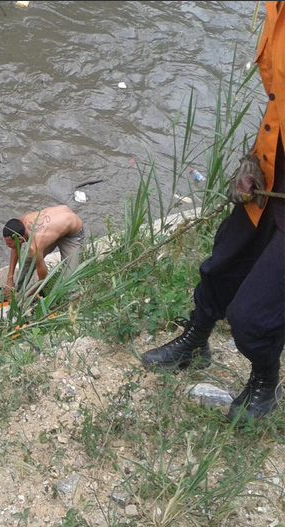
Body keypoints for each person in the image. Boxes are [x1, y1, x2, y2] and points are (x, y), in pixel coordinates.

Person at [142, 0, 284, 422]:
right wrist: (254, 160)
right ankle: (195, 340)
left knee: (253, 314)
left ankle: (264, 382)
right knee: (225, 258)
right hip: (275, 169)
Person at [2, 205, 84, 294]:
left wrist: (26, 296)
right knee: (28, 261)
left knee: (70, 282)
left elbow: (43, 279)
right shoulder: (20, 224)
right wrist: (9, 279)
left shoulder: (35, 245)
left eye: (9, 243)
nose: (7, 245)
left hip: (72, 233)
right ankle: (15, 290)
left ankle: (71, 301)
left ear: (20, 240)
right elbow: (15, 248)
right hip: (55, 227)